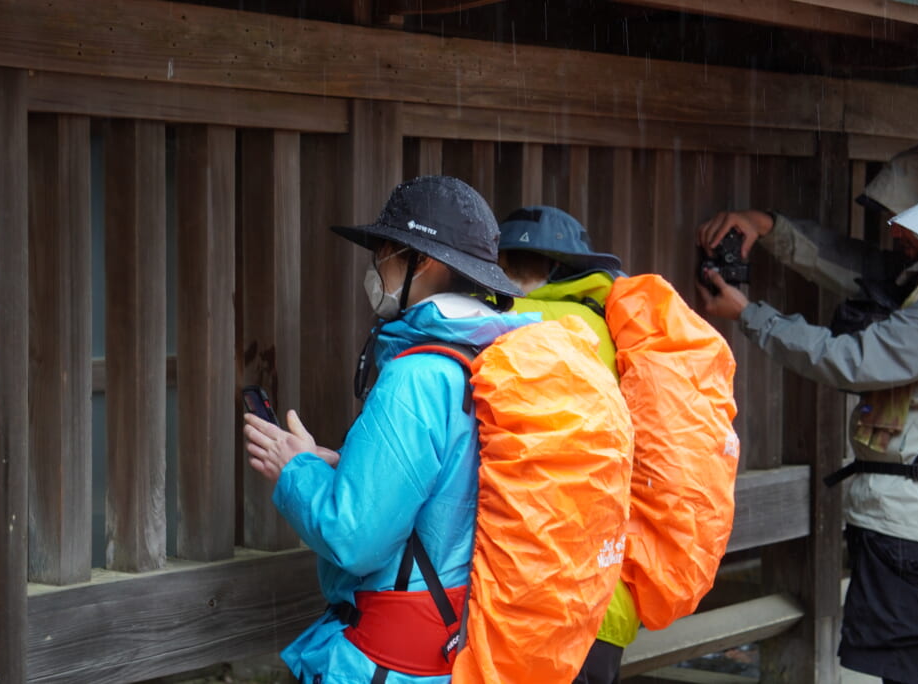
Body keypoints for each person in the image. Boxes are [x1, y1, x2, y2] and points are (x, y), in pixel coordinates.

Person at [695, 143, 918, 684]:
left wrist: (751, 315)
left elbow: (852, 360)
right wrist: (769, 226)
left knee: (913, 673)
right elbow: (853, 264)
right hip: (910, 529)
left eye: (904, 220)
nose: (893, 234)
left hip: (917, 537)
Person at [244, 175, 530, 684]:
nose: (376, 266)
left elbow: (354, 537)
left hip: (388, 666)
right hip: (449, 652)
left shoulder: (418, 377)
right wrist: (338, 468)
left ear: (427, 263)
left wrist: (296, 471)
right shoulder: (488, 357)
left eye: (386, 251)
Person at [498, 205, 635, 684]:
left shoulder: (510, 324)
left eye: (508, 267)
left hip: (538, 596)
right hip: (609, 589)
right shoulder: (615, 332)